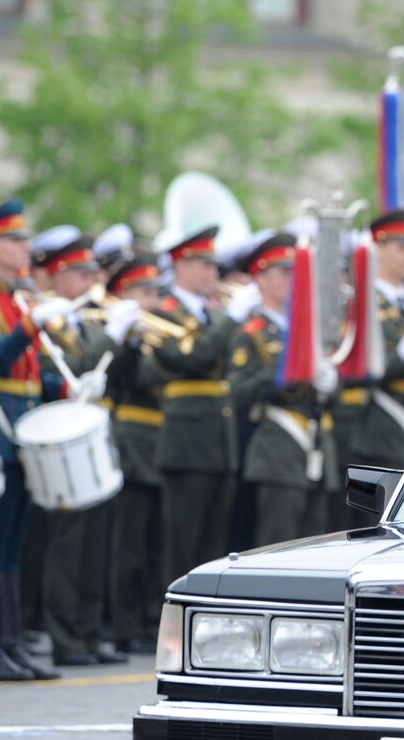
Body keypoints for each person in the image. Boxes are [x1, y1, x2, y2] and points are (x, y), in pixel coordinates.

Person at [31, 234, 121, 667]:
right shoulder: (48, 320)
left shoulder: (87, 322)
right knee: (68, 544)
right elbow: (66, 367)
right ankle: (64, 636)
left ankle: (87, 631)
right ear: (59, 275)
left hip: (95, 437)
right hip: (63, 440)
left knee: (95, 542)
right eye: (80, 273)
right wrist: (111, 340)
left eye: (92, 272)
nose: (91, 280)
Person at [227, 234, 338, 547]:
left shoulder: (310, 331)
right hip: (278, 448)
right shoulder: (252, 333)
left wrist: (331, 384)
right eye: (284, 272)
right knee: (277, 544)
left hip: (315, 448)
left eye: (295, 271)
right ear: (261, 278)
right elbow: (239, 391)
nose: (293, 279)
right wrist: (280, 378)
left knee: (314, 545)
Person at [151, 226, 241, 586]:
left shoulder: (210, 316)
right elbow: (191, 358)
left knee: (212, 545)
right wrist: (230, 320)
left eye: (213, 265)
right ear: (181, 266)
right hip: (186, 444)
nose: (213, 274)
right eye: (204, 265)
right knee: (181, 544)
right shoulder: (164, 312)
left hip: (219, 441)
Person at [0, 200, 64, 681]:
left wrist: (66, 391)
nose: (25, 248)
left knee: (13, 545)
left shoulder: (18, 299)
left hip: (23, 431)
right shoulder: (13, 307)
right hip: (0, 429)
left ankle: (11, 642)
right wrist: (28, 328)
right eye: (15, 240)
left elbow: (31, 374)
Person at [101, 254, 167, 655]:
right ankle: (123, 626)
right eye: (144, 292)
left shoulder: (156, 336)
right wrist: (122, 340)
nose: (152, 300)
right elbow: (122, 378)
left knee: (155, 542)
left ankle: (147, 620)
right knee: (129, 543)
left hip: (161, 443)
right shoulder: (120, 335)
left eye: (155, 292)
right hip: (132, 439)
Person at [352, 209, 404, 478]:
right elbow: (362, 369)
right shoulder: (362, 300)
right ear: (379, 248)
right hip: (381, 427)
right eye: (402, 248)